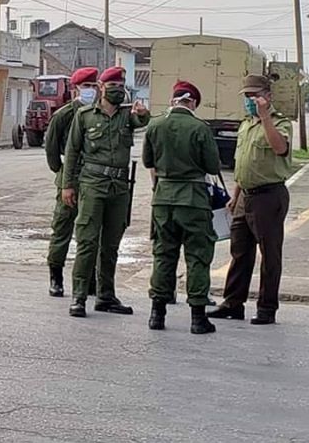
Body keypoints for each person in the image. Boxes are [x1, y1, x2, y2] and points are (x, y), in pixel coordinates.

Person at [62, 66, 150, 318]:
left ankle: (106, 295)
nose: (118, 92)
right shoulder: (85, 115)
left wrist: (143, 113)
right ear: (102, 88)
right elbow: (72, 151)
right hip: (92, 185)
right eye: (113, 88)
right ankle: (79, 296)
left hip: (119, 187)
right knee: (88, 242)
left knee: (111, 245)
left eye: (121, 88)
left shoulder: (126, 116)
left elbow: (142, 121)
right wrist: (68, 185)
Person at [208, 74, 292, 325]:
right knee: (240, 252)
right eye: (246, 96)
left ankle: (267, 308)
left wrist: (265, 117)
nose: (250, 100)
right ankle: (233, 302)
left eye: (254, 95)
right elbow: (241, 164)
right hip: (245, 195)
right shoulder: (245, 124)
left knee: (270, 253)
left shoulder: (280, 122)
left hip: (269, 195)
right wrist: (235, 196)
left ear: (268, 96)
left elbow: (280, 148)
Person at [142, 80, 221, 335]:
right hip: (193, 199)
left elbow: (147, 160)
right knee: (197, 256)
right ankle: (198, 318)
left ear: (173, 101)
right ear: (193, 102)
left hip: (163, 198)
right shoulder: (199, 128)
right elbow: (212, 166)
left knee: (164, 254)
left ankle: (157, 314)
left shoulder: (155, 125)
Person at [44, 67, 99, 298]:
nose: (91, 91)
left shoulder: (98, 113)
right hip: (70, 177)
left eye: (94, 87)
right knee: (62, 229)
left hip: (92, 179)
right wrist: (62, 173)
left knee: (91, 231)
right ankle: (56, 278)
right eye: (86, 87)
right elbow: (52, 147)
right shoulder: (65, 114)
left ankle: (90, 280)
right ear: (76, 89)